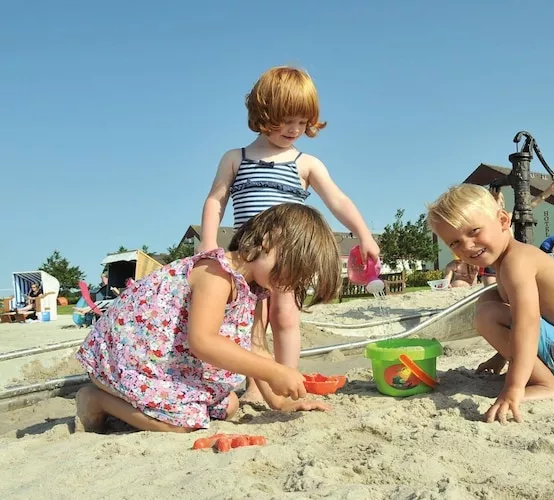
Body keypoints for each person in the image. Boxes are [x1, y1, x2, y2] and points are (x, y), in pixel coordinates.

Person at [197, 66, 380, 405]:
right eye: (284, 121)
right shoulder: (236, 158)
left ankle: (287, 378)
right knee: (250, 323)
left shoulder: (305, 163)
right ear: (262, 114)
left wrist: (363, 235)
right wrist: (208, 245)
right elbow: (216, 199)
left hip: (288, 259)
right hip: (249, 260)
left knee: (285, 316)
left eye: (301, 122)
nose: (293, 130)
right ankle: (257, 383)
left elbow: (337, 199)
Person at [74, 204, 342, 433]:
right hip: (127, 360)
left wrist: (279, 402)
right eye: (292, 270)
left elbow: (256, 347)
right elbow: (203, 341)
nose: (288, 284)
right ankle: (96, 400)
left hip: (169, 366)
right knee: (186, 423)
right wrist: (275, 371)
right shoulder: (216, 274)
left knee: (229, 406)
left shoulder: (255, 288)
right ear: (270, 239)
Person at [427, 184, 554, 424]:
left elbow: (527, 323)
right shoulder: (507, 263)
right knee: (488, 299)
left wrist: (514, 387)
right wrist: (501, 357)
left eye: (474, 231)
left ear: (502, 220)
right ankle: (534, 374)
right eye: (455, 243)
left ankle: (547, 385)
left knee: (488, 314)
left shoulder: (516, 262)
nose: (467, 246)